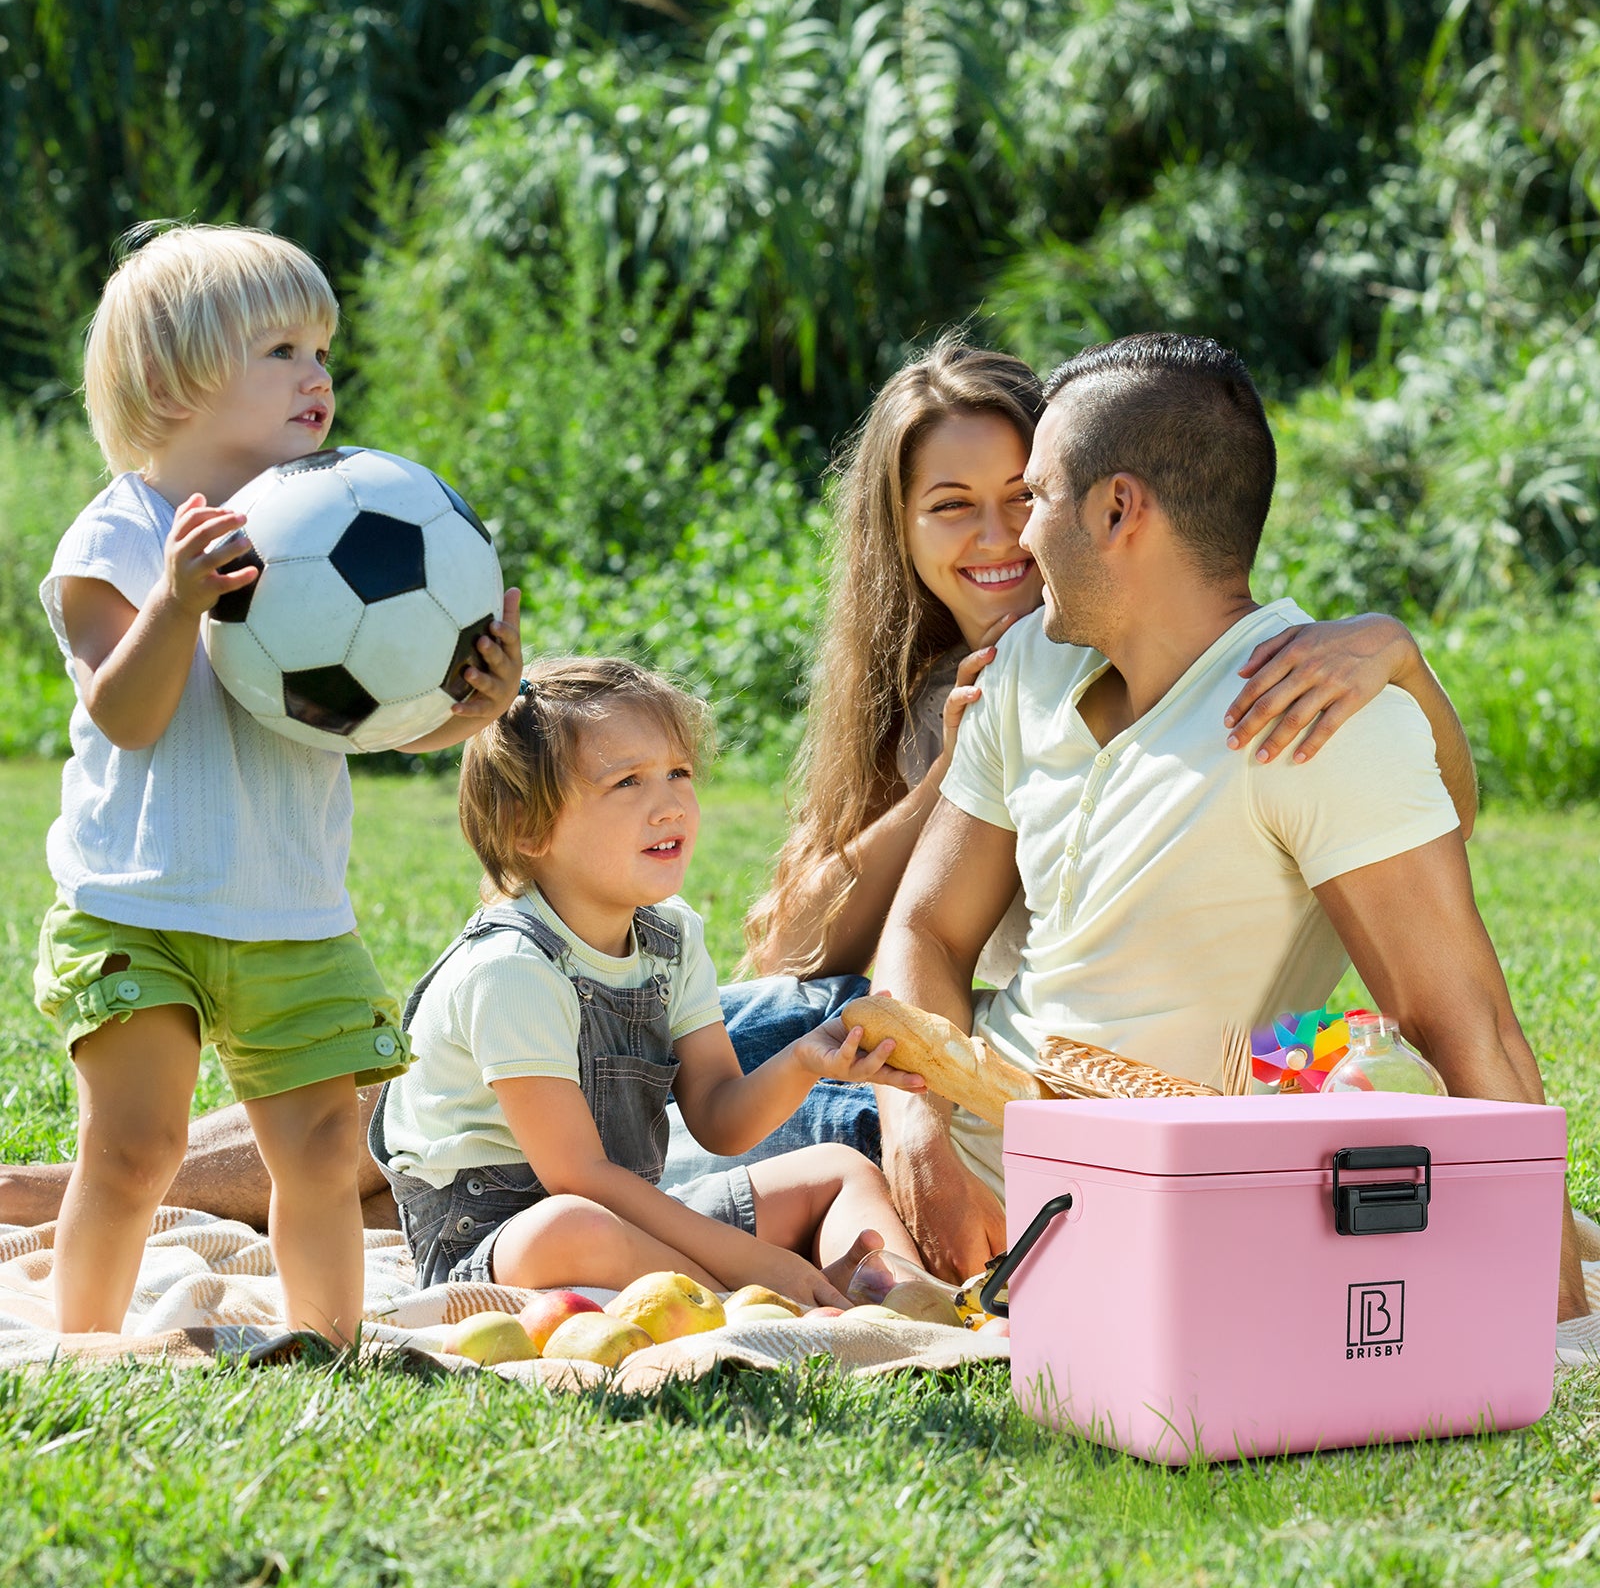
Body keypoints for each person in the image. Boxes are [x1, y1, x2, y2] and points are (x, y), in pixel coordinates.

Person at [0, 333, 1476, 1233]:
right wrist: (948, 772)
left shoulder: (1192, 661)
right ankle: (84, 1195)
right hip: (853, 1036)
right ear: (896, 533)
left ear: (1101, 500)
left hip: (926, 1063)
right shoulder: (956, 692)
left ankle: (100, 1192)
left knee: (472, 1126)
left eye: (1016, 497)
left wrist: (1398, 651)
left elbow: (1419, 820)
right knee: (473, 1110)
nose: (995, 540)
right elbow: (818, 934)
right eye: (948, 507)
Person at [866, 332, 1587, 1321]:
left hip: (1084, 1191)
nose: (1018, 538)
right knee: (697, 1068)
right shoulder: (1027, 660)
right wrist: (916, 1135)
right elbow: (924, 931)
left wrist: (1554, 1316)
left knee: (641, 1165)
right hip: (889, 1101)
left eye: (1035, 498)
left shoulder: (1317, 718)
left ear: (1119, 508)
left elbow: (1464, 1027)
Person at [30, 223, 523, 1340]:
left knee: (317, 1148)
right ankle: (86, 1345)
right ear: (172, 377)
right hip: (136, 905)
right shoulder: (114, 536)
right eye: (282, 350)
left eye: (323, 350)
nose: (319, 375)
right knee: (137, 1143)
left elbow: (370, 721)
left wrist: (469, 708)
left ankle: (327, 1345)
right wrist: (176, 601)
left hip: (291, 911)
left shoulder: (335, 514)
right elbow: (127, 711)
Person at [369, 655, 923, 1304]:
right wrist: (755, 1266)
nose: (670, 805)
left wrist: (803, 1062)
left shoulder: (670, 938)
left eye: (679, 772)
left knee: (839, 1170)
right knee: (575, 1228)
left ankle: (913, 1307)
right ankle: (770, 1302)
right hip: (496, 1243)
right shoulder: (511, 970)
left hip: (632, 1218)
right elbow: (579, 1177)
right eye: (628, 782)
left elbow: (718, 1119)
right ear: (527, 826)